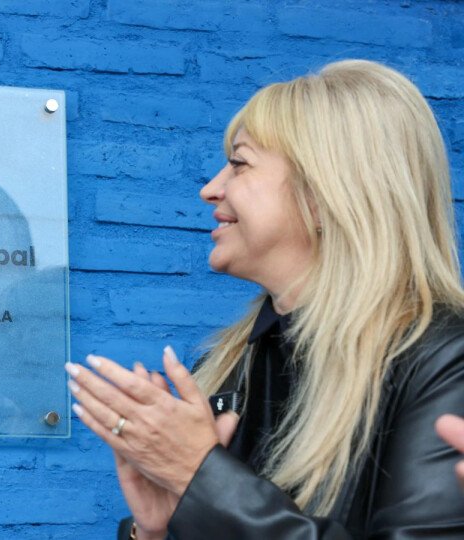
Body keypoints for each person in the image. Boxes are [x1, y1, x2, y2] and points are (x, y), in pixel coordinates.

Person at [65, 59, 464, 539]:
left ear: (323, 195)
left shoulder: (445, 360)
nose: (210, 189)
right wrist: (154, 532)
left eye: (239, 164)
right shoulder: (230, 366)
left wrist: (202, 481)